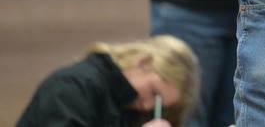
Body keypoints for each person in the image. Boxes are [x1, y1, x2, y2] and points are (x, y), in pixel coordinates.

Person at [16, 34, 199, 127]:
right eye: (154, 93)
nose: (148, 106)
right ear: (143, 62)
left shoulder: (128, 108)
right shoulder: (72, 87)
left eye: (159, 105)